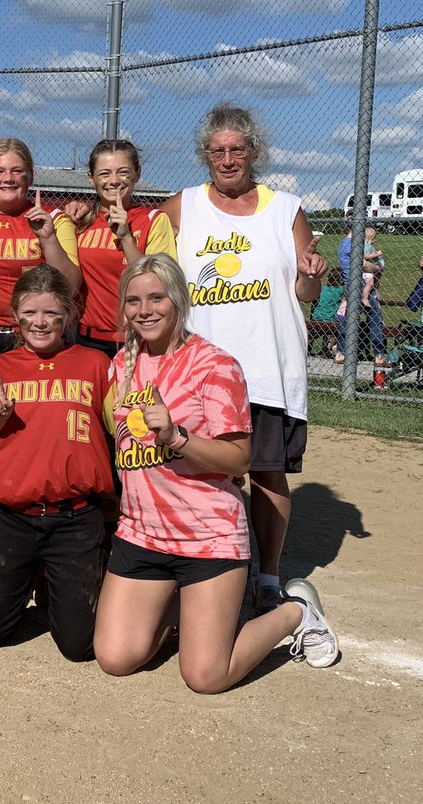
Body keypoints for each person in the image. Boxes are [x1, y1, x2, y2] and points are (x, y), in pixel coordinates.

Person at [94, 254, 338, 693]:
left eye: (157, 298)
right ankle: (181, 605)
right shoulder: (121, 366)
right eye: (133, 301)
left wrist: (177, 436)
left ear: (179, 300)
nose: (144, 310)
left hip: (208, 535)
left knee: (206, 676)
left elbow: (240, 459)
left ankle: (296, 612)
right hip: (141, 534)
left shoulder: (214, 364)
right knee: (116, 658)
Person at [164, 103, 327, 616]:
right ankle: (201, 568)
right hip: (201, 372)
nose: (228, 158)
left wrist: (312, 274)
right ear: (204, 156)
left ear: (255, 152)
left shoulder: (285, 209)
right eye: (217, 151)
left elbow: (306, 291)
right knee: (200, 471)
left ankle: (269, 574)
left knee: (268, 472)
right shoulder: (182, 206)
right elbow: (133, 247)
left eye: (237, 149)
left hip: (266, 366)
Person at [0, 265, 113, 660]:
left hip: (75, 518)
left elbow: (125, 432)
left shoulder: (96, 364)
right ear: (14, 316)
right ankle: (34, 581)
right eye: (29, 312)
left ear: (69, 314)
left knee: (79, 647)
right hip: (13, 516)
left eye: (51, 313)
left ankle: (61, 585)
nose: (40, 322)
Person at [0, 138, 81, 357]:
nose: (8, 178)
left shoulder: (54, 219)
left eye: (17, 171)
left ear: (31, 176)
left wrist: (48, 238)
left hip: (34, 335)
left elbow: (71, 287)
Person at [68, 140, 176, 356]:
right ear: (91, 178)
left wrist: (126, 237)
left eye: (123, 172)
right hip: (86, 340)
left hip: (137, 340)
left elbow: (162, 284)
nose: (114, 181)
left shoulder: (152, 220)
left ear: (137, 174)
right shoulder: (79, 220)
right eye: (105, 173)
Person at [335, 226, 386, 366]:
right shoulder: (354, 245)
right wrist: (379, 267)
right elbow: (364, 264)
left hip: (348, 284)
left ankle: (341, 351)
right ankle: (379, 355)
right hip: (359, 284)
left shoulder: (342, 244)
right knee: (375, 317)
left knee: (348, 318)